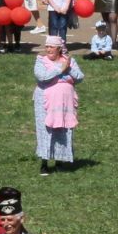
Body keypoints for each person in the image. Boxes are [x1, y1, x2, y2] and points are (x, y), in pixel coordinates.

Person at [33, 37, 82, 175]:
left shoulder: (69, 61)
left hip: (65, 102)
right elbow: (42, 76)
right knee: (46, 130)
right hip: (45, 101)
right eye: (47, 46)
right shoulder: (41, 61)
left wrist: (69, 69)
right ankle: (44, 163)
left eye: (52, 47)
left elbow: (79, 77)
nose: (48, 49)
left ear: (59, 49)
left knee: (63, 130)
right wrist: (60, 69)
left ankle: (60, 161)